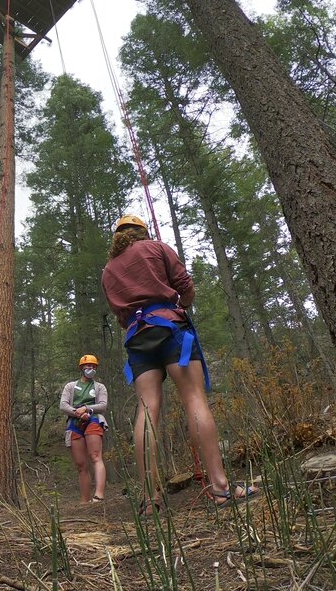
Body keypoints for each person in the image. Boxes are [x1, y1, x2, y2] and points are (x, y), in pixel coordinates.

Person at [101, 214, 257, 513]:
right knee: (194, 399)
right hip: (171, 328)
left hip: (137, 337)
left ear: (117, 237)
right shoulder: (156, 248)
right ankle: (221, 487)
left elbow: (121, 316)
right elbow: (186, 286)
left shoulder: (108, 270)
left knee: (147, 409)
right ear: (141, 232)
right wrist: (181, 305)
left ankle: (150, 499)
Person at [59, 354, 108, 503]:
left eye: (93, 366)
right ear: (81, 368)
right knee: (81, 465)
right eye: (88, 366)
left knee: (95, 456)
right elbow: (63, 405)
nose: (90, 369)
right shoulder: (70, 386)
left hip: (93, 419)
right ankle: (84, 501)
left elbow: (103, 405)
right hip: (74, 423)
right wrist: (77, 413)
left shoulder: (100, 387)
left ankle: (99, 495)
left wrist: (87, 409)